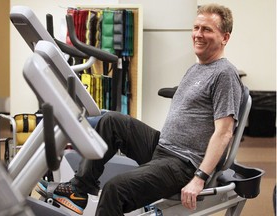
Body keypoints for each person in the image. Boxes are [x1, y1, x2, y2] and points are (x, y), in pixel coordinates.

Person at [36, 3, 243, 215]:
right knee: (111, 122)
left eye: (207, 29)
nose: (198, 34)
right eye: (196, 28)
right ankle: (78, 189)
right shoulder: (197, 67)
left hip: (185, 164)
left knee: (114, 189)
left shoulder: (224, 74)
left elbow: (224, 132)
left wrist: (199, 178)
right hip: (163, 147)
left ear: (225, 37)